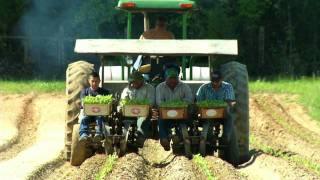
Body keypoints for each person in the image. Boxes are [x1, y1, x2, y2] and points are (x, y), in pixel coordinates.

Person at [196, 70, 236, 155]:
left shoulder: (228, 87)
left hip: (223, 114)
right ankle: (209, 139)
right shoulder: (204, 88)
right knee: (208, 121)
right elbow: (199, 102)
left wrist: (226, 106)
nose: (215, 83)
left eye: (217, 81)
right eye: (213, 81)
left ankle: (225, 138)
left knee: (230, 116)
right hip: (208, 114)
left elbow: (230, 102)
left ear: (221, 79)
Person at [156, 67, 193, 151]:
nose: (173, 81)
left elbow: (190, 99)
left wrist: (179, 105)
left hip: (181, 113)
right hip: (166, 114)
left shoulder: (184, 86)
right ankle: (164, 139)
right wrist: (169, 106)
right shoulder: (160, 87)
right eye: (170, 78)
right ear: (166, 78)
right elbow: (159, 102)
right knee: (161, 121)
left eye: (175, 78)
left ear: (178, 78)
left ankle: (181, 137)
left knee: (188, 119)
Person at [120, 71, 155, 146]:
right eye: (132, 82)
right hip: (130, 113)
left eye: (135, 82)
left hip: (143, 112)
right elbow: (123, 100)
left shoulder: (149, 88)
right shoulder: (128, 88)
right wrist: (124, 103)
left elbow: (151, 102)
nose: (133, 84)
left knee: (144, 117)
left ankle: (140, 135)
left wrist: (143, 106)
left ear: (141, 81)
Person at [79, 72, 110, 142]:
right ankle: (83, 134)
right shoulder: (85, 92)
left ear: (99, 81)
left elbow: (109, 103)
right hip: (88, 114)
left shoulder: (104, 92)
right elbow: (82, 103)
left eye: (96, 81)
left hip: (99, 115)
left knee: (100, 118)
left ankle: (98, 134)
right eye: (92, 81)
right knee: (84, 119)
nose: (94, 83)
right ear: (89, 81)